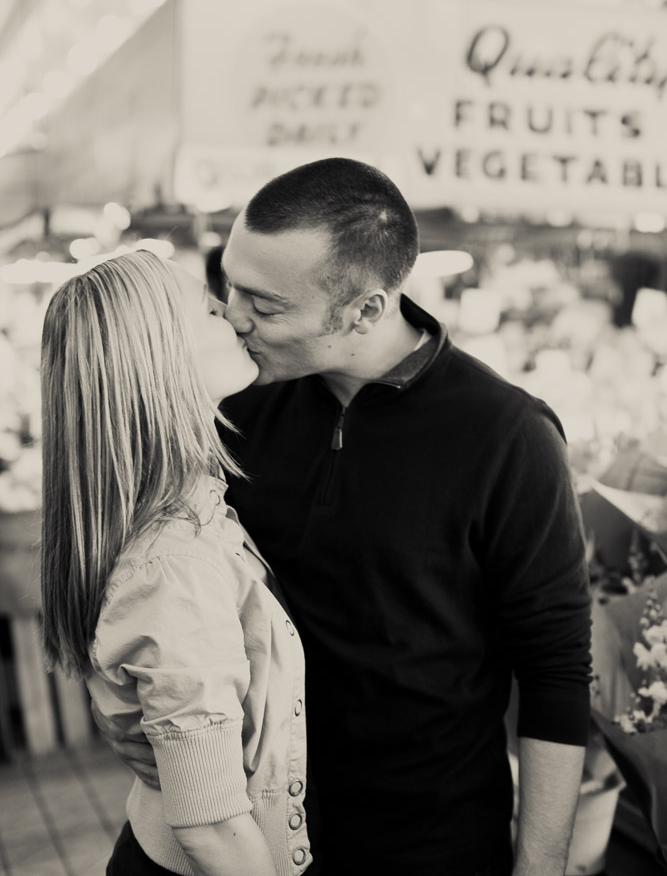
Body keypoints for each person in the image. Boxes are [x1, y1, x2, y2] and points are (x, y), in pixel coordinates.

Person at [94, 159, 592, 876]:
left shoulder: (507, 437)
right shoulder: (229, 405)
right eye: (228, 286)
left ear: (364, 309)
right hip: (242, 829)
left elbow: (553, 674)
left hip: (422, 842)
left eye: (264, 305)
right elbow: (156, 587)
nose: (233, 316)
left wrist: (538, 868)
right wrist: (130, 707)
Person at [40, 249, 312, 876]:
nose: (236, 316)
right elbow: (211, 826)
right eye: (209, 308)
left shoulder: (185, 506)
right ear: (161, 357)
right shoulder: (175, 560)